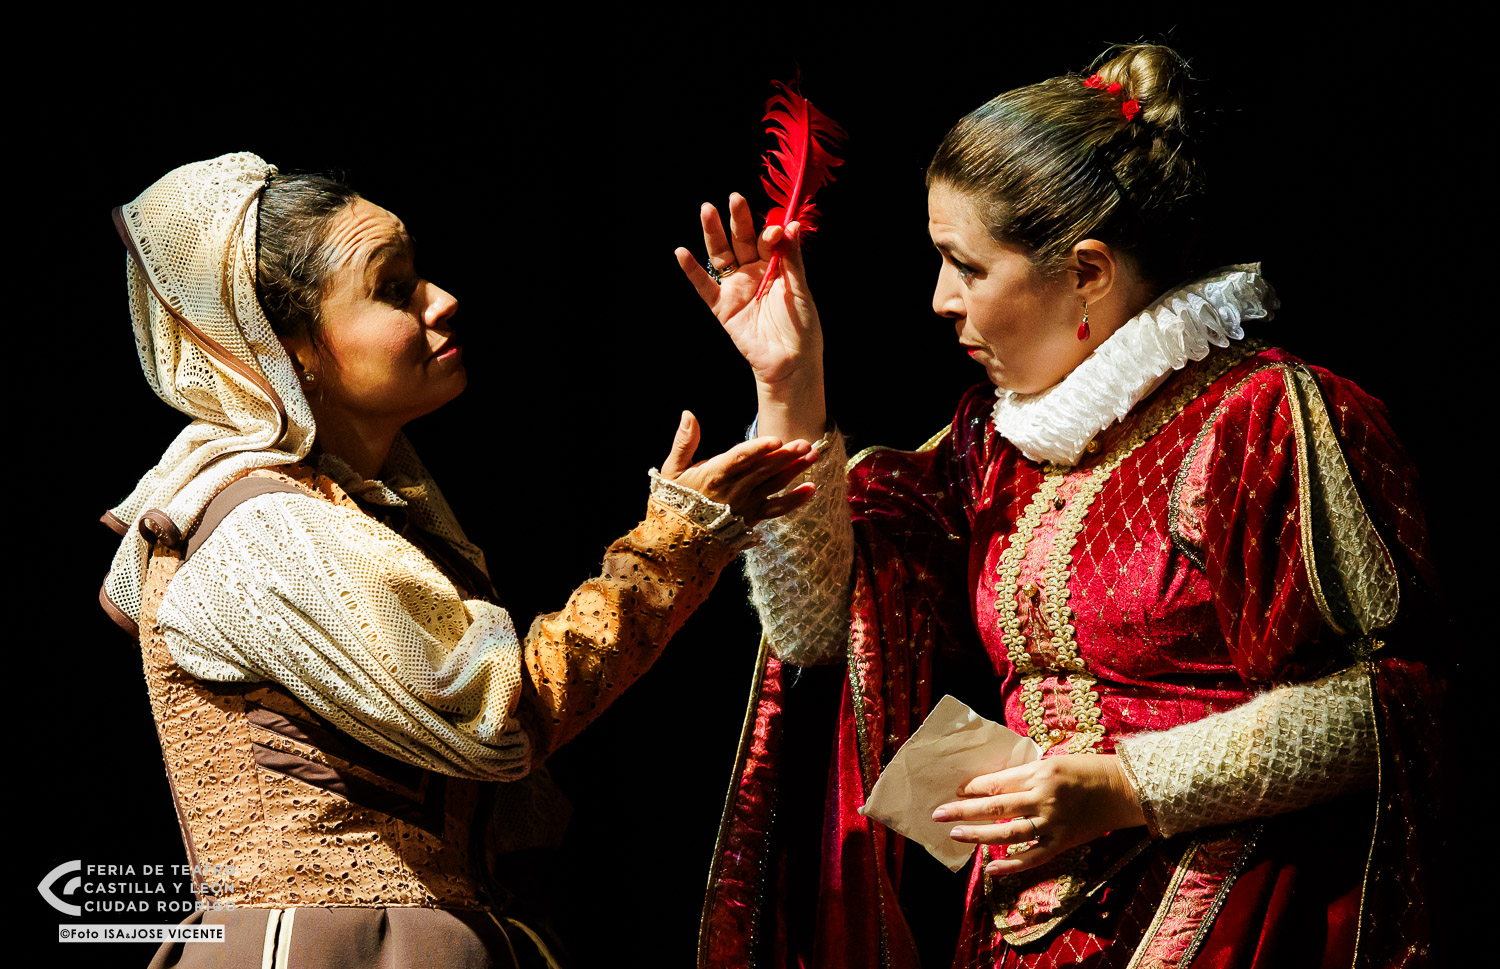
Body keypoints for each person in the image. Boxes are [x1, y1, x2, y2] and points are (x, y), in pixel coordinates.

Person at [682, 45, 1441, 968]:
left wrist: (1126, 785)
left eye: (965, 266)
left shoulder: (1260, 421)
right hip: (1020, 929)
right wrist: (788, 386)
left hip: (1225, 919)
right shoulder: (991, 449)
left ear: (1086, 271)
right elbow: (817, 629)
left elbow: (1389, 707)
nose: (939, 299)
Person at [100, 152, 823, 969]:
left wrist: (783, 386)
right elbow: (499, 712)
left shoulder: (348, 510)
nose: (441, 300)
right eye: (393, 288)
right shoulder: (265, 529)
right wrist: (669, 545)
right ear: (287, 343)